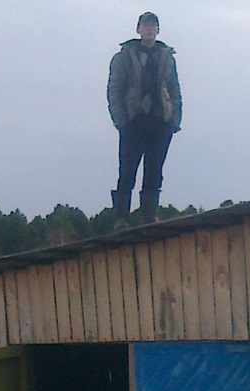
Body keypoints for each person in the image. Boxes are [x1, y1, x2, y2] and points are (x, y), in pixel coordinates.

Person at [107, 11, 182, 230]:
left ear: (158, 30)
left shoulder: (167, 57)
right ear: (138, 29)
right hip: (133, 121)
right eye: (145, 26)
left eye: (153, 26)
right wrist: (121, 120)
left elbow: (174, 88)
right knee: (127, 169)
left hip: (160, 121)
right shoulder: (123, 57)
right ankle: (121, 218)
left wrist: (174, 119)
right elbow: (115, 89)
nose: (149, 30)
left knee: (154, 170)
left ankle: (149, 216)